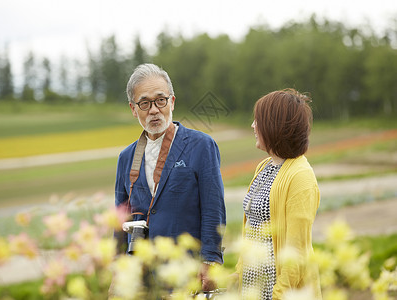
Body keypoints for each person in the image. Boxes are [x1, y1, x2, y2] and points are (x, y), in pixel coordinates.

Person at [114, 63, 226, 292]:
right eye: (144, 103)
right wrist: (117, 270)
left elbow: (213, 209)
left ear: (172, 101)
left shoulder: (201, 146)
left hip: (187, 273)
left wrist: (211, 262)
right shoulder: (126, 158)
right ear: (133, 109)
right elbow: (119, 220)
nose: (154, 110)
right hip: (142, 279)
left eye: (160, 100)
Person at [235, 89, 322, 299]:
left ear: (275, 125)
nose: (253, 126)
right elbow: (251, 229)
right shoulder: (264, 167)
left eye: (258, 120)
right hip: (252, 287)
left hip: (278, 292)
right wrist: (237, 276)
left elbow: (297, 251)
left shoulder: (301, 176)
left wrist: (279, 294)